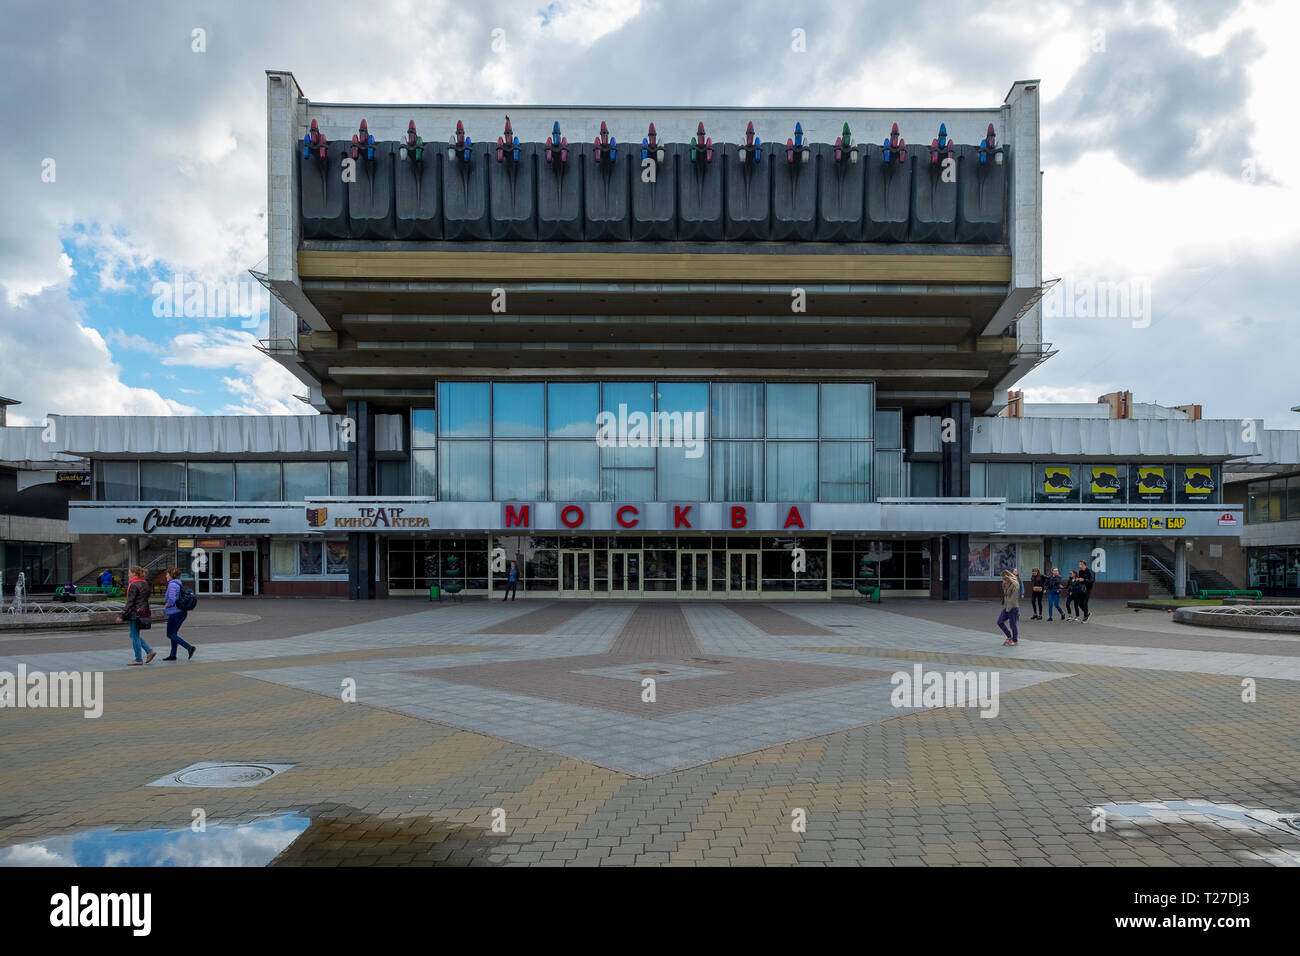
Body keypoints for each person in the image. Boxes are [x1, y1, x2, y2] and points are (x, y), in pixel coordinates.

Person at [116, 565, 156, 665]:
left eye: (129, 572)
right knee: (133, 635)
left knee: (134, 636)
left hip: (135, 612)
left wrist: (122, 615)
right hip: (144, 611)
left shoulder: (133, 585)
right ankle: (149, 651)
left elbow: (130, 602)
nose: (128, 574)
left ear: (134, 573)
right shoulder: (145, 583)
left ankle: (139, 659)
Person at [161, 567, 197, 661]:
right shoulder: (178, 583)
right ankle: (173, 655)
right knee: (174, 634)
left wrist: (167, 605)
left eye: (167, 574)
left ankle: (189, 648)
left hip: (175, 613)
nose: (166, 576)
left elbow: (172, 599)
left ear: (171, 575)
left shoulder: (172, 585)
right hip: (181, 612)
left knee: (170, 634)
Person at [997, 568, 1020, 646]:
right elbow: (1005, 595)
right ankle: (1009, 636)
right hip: (1007, 607)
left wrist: (1009, 608)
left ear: (1008, 576)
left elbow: (1013, 598)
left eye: (1004, 578)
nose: (1003, 579)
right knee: (999, 622)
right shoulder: (1006, 583)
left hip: (1013, 607)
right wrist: (1003, 584)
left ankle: (1015, 640)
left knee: (1013, 625)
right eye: (1002, 578)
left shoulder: (1015, 584)